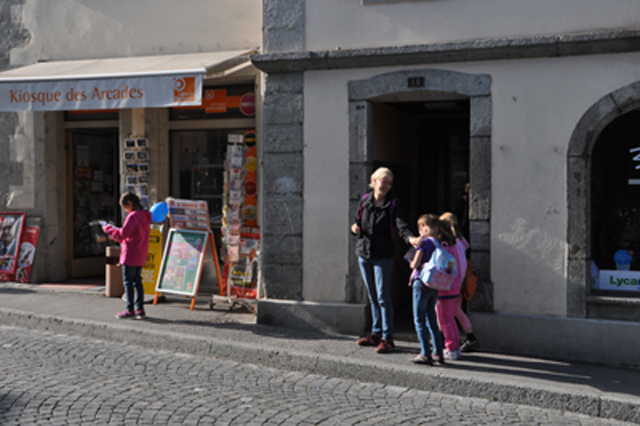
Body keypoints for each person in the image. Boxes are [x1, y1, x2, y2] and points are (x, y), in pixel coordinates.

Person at [351, 167, 421, 354]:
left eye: (390, 183)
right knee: (373, 296)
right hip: (364, 253)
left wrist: (410, 238)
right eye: (384, 181)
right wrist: (355, 228)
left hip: (383, 256)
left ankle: (387, 338)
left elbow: (401, 225)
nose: (387, 186)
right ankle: (375, 333)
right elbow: (357, 221)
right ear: (374, 181)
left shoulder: (393, 204)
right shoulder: (365, 200)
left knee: (383, 297)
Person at [409, 214, 455, 365]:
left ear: (434, 228)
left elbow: (415, 264)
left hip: (421, 282)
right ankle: (438, 352)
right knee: (431, 319)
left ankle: (425, 353)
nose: (421, 230)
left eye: (424, 227)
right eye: (420, 227)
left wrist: (412, 260)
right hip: (434, 284)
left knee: (419, 319)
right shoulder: (439, 244)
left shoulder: (424, 243)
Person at [103, 192, 152, 319]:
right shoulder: (145, 215)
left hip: (130, 254)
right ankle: (140, 309)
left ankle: (130, 309)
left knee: (128, 282)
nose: (125, 210)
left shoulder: (133, 216)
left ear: (129, 204)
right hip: (141, 253)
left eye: (125, 207)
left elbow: (122, 235)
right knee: (138, 282)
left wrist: (108, 229)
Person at [440, 212, 478, 353]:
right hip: (461, 280)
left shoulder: (447, 243)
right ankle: (470, 337)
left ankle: (443, 339)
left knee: (442, 313)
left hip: (450, 282)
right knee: (456, 310)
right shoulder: (460, 240)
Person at [436, 212, 468, 360]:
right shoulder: (456, 244)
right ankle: (455, 346)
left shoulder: (443, 247)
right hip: (455, 285)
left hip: (444, 287)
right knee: (451, 318)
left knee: (444, 319)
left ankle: (450, 347)